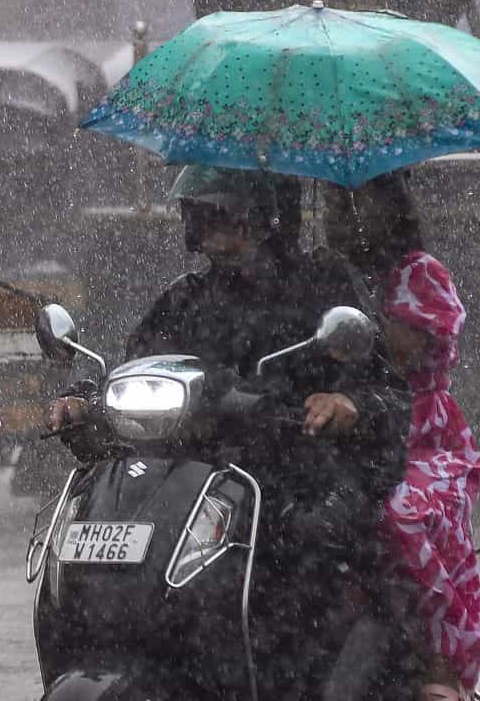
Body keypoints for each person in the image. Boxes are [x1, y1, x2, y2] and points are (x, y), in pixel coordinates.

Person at [49, 166, 416, 701]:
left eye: (223, 215)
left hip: (297, 472)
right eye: (199, 216)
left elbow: (392, 395)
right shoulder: (186, 297)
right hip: (197, 481)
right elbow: (134, 364)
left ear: (266, 217)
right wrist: (85, 395)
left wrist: (347, 403)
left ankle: (310, 680)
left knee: (312, 544)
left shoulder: (323, 288)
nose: (210, 232)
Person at [321, 173, 480, 701]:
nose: (349, 220)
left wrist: (361, 323)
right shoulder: (328, 278)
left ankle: (441, 657)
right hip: (351, 431)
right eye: (339, 208)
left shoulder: (419, 274)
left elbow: (407, 344)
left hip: (421, 434)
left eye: (362, 208)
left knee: (401, 511)